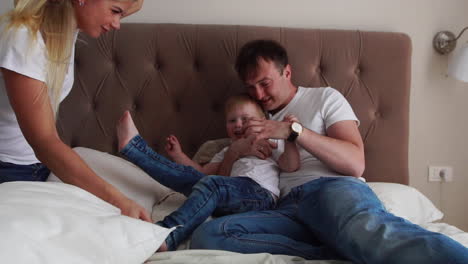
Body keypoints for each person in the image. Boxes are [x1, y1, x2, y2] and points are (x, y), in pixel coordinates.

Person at [187, 40, 468, 263]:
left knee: (374, 234)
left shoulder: (324, 98)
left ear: (287, 72)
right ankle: (332, 249)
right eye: (251, 87)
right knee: (211, 235)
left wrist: (296, 133)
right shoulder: (252, 118)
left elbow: (355, 164)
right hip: (287, 209)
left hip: (332, 192)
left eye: (265, 83)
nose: (258, 95)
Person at [0, 0, 151, 221]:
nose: (117, 24)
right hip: (9, 169)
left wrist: (119, 7)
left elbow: (135, 4)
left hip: (39, 166)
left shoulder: (65, 26)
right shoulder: (24, 39)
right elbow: (44, 142)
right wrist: (119, 202)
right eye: (115, 12)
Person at [116, 94, 301, 251]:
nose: (238, 125)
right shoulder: (225, 150)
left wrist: (290, 138)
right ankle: (134, 148)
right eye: (232, 120)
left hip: (260, 195)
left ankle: (167, 234)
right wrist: (179, 155)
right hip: (230, 194)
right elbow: (201, 173)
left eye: (245, 119)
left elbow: (290, 165)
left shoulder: (269, 141)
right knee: (195, 178)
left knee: (212, 184)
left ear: (262, 122)